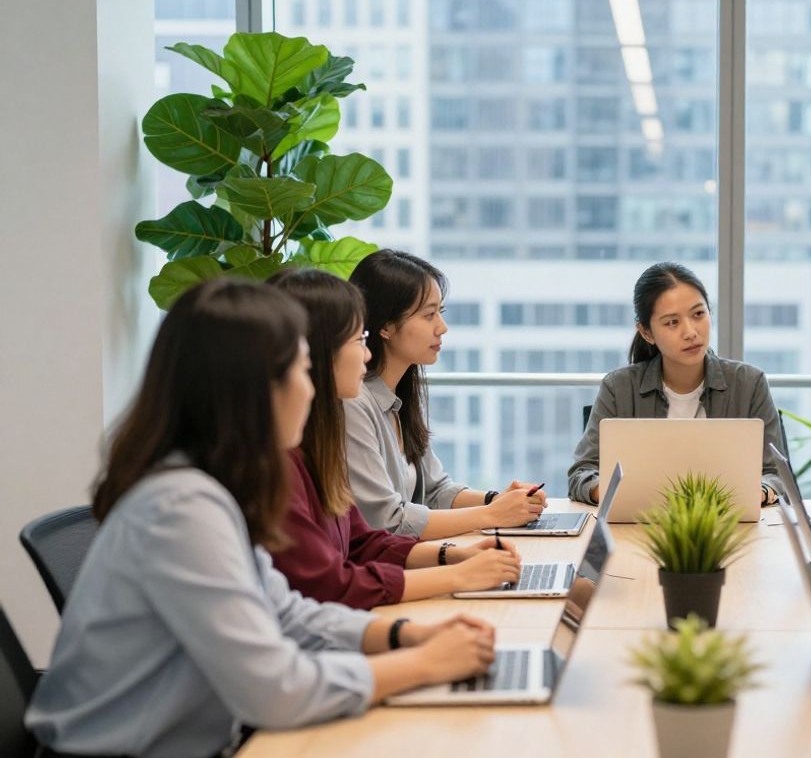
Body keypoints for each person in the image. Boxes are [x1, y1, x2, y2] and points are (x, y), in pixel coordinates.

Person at [26, 280, 499, 758]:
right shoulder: (181, 508)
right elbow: (276, 689)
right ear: (253, 389)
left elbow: (286, 613)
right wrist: (424, 664)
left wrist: (404, 634)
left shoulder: (210, 486)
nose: (309, 386)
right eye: (300, 368)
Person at [267, 269, 521, 609]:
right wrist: (462, 564)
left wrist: (456, 555)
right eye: (359, 341)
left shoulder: (322, 442)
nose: (367, 353)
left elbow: (365, 541)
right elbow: (337, 577)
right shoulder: (289, 459)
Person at [347, 249, 547, 540]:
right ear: (386, 326)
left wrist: (498, 500)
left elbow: (436, 490)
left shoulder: (399, 398)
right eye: (429, 315)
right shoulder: (354, 405)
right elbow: (387, 522)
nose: (442, 327)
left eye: (440, 312)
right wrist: (493, 514)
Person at [568, 262, 785, 504]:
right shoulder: (619, 389)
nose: (691, 332)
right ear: (646, 332)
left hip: (729, 528)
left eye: (698, 314)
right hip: (640, 528)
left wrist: (761, 492)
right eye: (672, 322)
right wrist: (612, 493)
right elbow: (581, 472)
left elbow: (776, 474)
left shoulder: (749, 384)